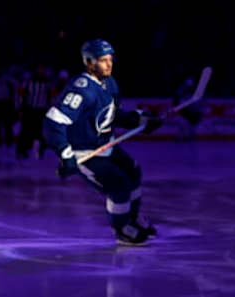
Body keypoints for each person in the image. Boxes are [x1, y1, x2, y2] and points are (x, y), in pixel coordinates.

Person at [44, 39, 162, 246]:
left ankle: (132, 218)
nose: (109, 64)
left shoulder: (110, 83)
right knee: (119, 186)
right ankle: (122, 228)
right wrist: (66, 155)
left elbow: (112, 116)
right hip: (85, 153)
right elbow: (54, 121)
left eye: (110, 59)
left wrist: (140, 119)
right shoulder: (81, 89)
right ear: (89, 63)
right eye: (102, 60)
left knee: (133, 172)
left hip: (106, 147)